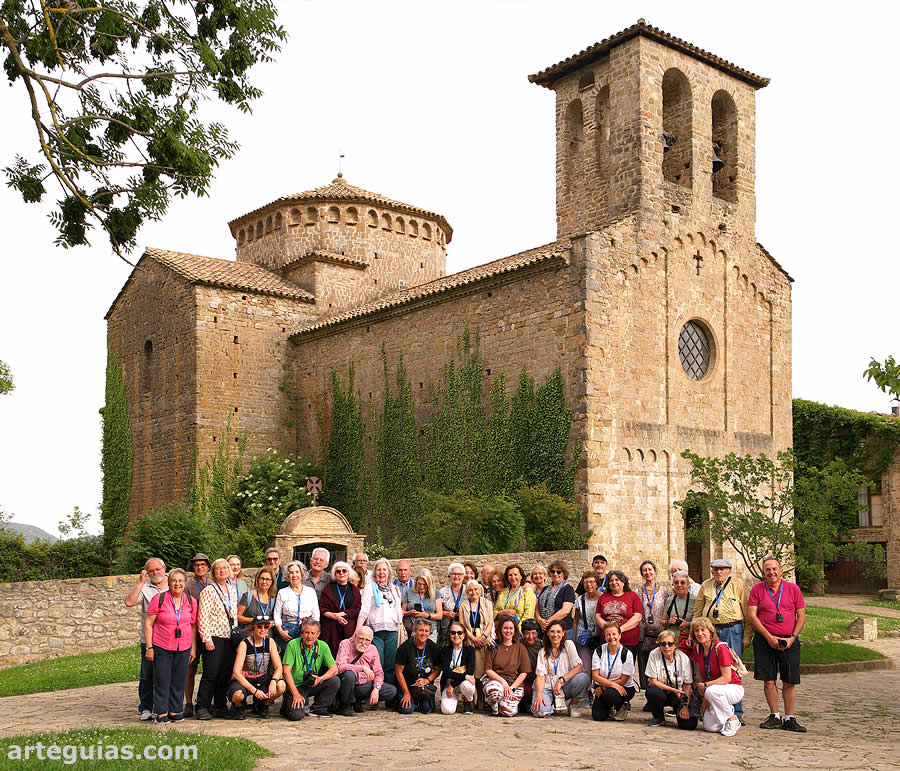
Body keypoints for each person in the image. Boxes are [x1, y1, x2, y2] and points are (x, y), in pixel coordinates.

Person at [747, 556, 807, 733]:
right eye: (767, 570)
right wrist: (768, 636)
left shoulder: (793, 589)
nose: (771, 572)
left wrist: (793, 638)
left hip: (788, 639)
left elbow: (801, 616)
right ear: (763, 572)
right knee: (769, 679)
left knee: (789, 680)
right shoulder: (757, 590)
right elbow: (752, 615)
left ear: (781, 571)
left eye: (774, 569)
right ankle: (774, 715)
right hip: (765, 640)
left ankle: (789, 717)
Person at [692, 559, 750, 723]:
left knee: (732, 669)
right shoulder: (706, 585)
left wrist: (746, 637)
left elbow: (746, 612)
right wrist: (694, 634)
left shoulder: (737, 585)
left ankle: (736, 712)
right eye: (715, 569)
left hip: (732, 629)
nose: (718, 572)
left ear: (729, 571)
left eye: (722, 569)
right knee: (710, 667)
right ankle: (715, 708)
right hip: (711, 629)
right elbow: (698, 611)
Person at [144, 567, 194, 724]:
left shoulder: (191, 601)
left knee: (179, 680)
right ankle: (161, 713)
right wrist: (149, 647)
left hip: (184, 646)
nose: (177, 584)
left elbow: (193, 626)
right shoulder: (159, 599)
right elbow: (148, 624)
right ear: (169, 582)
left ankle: (175, 711)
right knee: (163, 680)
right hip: (162, 646)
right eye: (174, 580)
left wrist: (193, 648)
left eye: (180, 581)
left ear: (185, 583)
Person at [124, 556, 168, 721]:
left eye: (157, 569)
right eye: (151, 571)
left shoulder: (174, 583)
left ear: (164, 569)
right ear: (147, 573)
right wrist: (141, 582)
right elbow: (129, 602)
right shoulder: (145, 586)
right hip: (149, 639)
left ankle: (163, 706)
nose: (155, 573)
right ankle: (146, 707)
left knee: (165, 675)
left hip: (169, 638)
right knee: (147, 675)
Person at [196, 558, 239, 720]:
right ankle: (202, 706)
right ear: (213, 572)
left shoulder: (232, 589)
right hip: (213, 636)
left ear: (229, 571)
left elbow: (233, 613)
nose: (222, 571)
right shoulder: (209, 590)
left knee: (224, 673)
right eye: (218, 569)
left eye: (224, 568)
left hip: (229, 637)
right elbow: (203, 616)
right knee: (211, 673)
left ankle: (220, 705)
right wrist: (206, 639)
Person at [689, 616, 744, 736]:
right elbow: (700, 678)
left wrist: (706, 687)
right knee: (710, 727)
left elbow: (726, 678)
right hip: (713, 690)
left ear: (710, 631)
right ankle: (725, 720)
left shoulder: (720, 647)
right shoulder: (698, 648)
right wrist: (705, 698)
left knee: (711, 691)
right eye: (696, 631)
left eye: (703, 630)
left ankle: (732, 719)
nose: (700, 633)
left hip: (732, 687)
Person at [228, 614, 286, 719]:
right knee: (237, 695)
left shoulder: (270, 642)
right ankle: (238, 706)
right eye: (259, 626)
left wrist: (274, 680)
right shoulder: (244, 644)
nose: (263, 629)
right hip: (246, 679)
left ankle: (262, 704)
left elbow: (279, 667)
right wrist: (254, 690)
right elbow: (236, 672)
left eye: (266, 626)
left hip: (263, 677)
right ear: (253, 627)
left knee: (281, 686)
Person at [357, 558, 404, 687]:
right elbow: (364, 610)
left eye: (384, 569)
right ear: (374, 572)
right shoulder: (369, 588)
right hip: (375, 632)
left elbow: (398, 610)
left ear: (388, 572)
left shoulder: (394, 589)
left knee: (390, 664)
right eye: (379, 570)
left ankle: (388, 693)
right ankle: (375, 692)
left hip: (391, 632)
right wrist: (358, 629)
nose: (381, 572)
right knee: (377, 664)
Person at [281, 619, 339, 720]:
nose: (309, 636)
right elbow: (286, 672)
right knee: (296, 716)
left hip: (312, 683)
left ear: (318, 634)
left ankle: (318, 708)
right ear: (302, 634)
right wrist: (296, 694)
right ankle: (286, 705)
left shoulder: (323, 646)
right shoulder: (293, 644)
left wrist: (321, 678)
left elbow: (334, 669)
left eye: (313, 633)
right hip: (296, 686)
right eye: (307, 632)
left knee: (334, 681)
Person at [531, 620, 589, 718]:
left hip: (564, 686)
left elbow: (578, 667)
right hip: (547, 687)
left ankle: (573, 705)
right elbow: (540, 676)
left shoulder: (568, 645)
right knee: (540, 712)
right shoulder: (542, 652)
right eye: (552, 631)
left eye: (558, 631)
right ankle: (552, 705)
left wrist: (561, 680)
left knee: (583, 678)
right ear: (548, 633)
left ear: (563, 633)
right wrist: (539, 694)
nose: (555, 634)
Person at [335, 626, 398, 715]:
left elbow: (379, 673)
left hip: (363, 685)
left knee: (391, 690)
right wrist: (362, 668)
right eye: (361, 638)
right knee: (349, 675)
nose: (363, 642)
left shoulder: (373, 649)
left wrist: (376, 689)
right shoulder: (345, 644)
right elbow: (340, 667)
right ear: (355, 636)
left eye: (367, 640)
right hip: (347, 683)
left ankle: (358, 700)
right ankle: (346, 705)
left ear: (371, 641)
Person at [644, 629, 696, 729]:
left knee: (689, 725)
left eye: (670, 644)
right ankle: (658, 717)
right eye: (663, 644)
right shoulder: (654, 654)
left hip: (679, 694)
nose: (666, 647)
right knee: (652, 692)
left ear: (675, 645)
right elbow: (652, 681)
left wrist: (685, 705)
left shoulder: (683, 658)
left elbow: (687, 684)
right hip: (662, 692)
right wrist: (674, 690)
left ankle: (678, 710)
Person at [482, 617, 531, 716]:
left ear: (515, 630)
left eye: (511, 628)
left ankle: (504, 704)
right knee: (494, 691)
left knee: (508, 712)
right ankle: (495, 705)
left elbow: (523, 673)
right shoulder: (493, 646)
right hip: (496, 681)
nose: (508, 631)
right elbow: (488, 670)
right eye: (505, 628)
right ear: (500, 629)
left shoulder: (520, 648)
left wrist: (512, 688)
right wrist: (503, 682)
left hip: (514, 684)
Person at [590, 621, 636, 721]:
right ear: (605, 637)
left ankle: (622, 706)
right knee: (598, 716)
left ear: (620, 635)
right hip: (603, 686)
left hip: (622, 688)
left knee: (610, 694)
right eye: (608, 635)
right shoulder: (599, 651)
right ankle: (609, 708)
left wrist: (603, 687)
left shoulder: (627, 654)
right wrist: (605, 687)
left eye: (614, 634)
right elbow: (595, 676)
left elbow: (624, 679)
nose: (611, 637)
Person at [183, 552, 210, 717]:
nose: (199, 567)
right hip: (192, 630)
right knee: (190, 667)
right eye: (196, 565)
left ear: (208, 567)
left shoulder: (213, 583)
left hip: (209, 632)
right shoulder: (188, 586)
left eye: (202, 565)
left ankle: (206, 701)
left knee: (210, 669)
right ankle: (188, 703)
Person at [395, 618, 441, 714]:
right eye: (420, 630)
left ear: (430, 633)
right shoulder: (405, 647)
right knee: (407, 710)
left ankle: (418, 701)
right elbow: (398, 672)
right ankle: (400, 698)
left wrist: (427, 680)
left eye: (426, 631)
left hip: (424, 686)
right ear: (415, 631)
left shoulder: (434, 647)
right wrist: (406, 693)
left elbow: (437, 669)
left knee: (427, 710)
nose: (423, 633)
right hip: (407, 684)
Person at [273, 561, 320, 655]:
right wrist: (280, 631)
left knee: (304, 656)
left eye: (297, 572)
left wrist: (313, 630)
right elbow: (277, 614)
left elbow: (316, 613)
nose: (294, 575)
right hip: (287, 630)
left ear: (302, 574)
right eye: (291, 572)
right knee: (286, 656)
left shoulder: (310, 591)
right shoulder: (282, 592)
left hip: (306, 629)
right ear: (287, 575)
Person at [597, 570, 643, 664]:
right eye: (611, 580)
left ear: (623, 582)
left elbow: (637, 617)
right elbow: (598, 615)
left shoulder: (632, 596)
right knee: (608, 669)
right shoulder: (603, 597)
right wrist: (609, 630)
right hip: (608, 642)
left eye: (617, 580)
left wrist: (619, 630)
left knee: (626, 671)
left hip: (628, 642)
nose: (614, 582)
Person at [637, 560, 669, 689]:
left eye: (650, 570)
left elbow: (667, 609)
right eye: (645, 570)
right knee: (645, 664)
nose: (648, 572)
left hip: (660, 632)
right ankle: (647, 690)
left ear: (655, 572)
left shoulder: (664, 591)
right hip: (644, 633)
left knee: (659, 664)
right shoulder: (638, 591)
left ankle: (657, 691)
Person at [458, 579, 494, 691]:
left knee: (482, 668)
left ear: (480, 590)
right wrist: (474, 639)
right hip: (469, 638)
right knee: (470, 667)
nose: (473, 592)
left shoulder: (487, 603)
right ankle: (469, 697)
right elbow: (462, 625)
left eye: (476, 589)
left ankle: (481, 697)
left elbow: (490, 622)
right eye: (470, 590)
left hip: (483, 637)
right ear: (467, 592)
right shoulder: (463, 605)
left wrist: (483, 637)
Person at [319, 561, 362, 655]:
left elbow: (357, 608)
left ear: (348, 573)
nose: (341, 573)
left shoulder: (354, 590)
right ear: (335, 574)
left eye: (344, 571)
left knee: (347, 655)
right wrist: (334, 616)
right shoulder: (328, 588)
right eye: (338, 571)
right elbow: (322, 608)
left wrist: (343, 614)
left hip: (348, 629)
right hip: (331, 629)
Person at [439, 621, 477, 714]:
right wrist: (464, 677)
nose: (456, 635)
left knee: (468, 685)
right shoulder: (444, 650)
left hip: (462, 683)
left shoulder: (470, 650)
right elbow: (447, 672)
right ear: (449, 634)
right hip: (448, 682)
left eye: (459, 632)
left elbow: (470, 671)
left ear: (464, 635)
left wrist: (454, 684)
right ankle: (453, 699)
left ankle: (468, 700)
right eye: (453, 632)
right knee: (447, 710)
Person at [536, 560, 576, 640]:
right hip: (545, 630)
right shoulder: (545, 589)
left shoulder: (568, 589)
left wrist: (548, 623)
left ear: (564, 573)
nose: (555, 574)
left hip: (562, 631)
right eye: (553, 571)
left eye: (558, 572)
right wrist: (539, 620)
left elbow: (565, 610)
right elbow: (537, 607)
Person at [573, 569, 602, 675]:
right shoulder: (580, 600)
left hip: (600, 637)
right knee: (585, 666)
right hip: (584, 638)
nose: (589, 585)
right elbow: (575, 620)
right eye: (586, 582)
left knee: (599, 667)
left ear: (596, 583)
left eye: (591, 582)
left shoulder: (603, 598)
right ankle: (587, 690)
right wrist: (575, 639)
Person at [493, 563, 535, 635]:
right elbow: (495, 611)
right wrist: (502, 613)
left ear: (521, 576)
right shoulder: (503, 592)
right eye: (510, 575)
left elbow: (528, 614)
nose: (513, 577)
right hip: (502, 632)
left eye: (515, 574)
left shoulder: (527, 591)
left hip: (519, 632)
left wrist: (516, 631)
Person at [402, 568, 442, 641]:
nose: (422, 587)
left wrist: (427, 615)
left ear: (429, 584)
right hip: (414, 630)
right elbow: (402, 612)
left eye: (425, 585)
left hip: (431, 631)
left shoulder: (436, 593)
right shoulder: (409, 592)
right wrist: (409, 613)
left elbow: (440, 615)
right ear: (416, 582)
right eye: (419, 584)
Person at [664, 570, 696, 650]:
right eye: (676, 582)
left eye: (682, 583)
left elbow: (701, 622)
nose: (679, 585)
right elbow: (663, 620)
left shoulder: (695, 600)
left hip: (688, 641)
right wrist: (668, 622)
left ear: (688, 584)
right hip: (671, 642)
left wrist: (688, 624)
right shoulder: (669, 600)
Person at [438, 562, 467, 646]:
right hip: (447, 630)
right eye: (454, 574)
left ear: (463, 576)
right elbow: (436, 610)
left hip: (463, 630)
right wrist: (445, 613)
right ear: (449, 575)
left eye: (459, 574)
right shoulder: (443, 592)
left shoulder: (468, 590)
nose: (456, 577)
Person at [519, 618, 543, 709]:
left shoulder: (541, 645)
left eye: (533, 633)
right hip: (522, 678)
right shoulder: (518, 644)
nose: (530, 637)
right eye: (527, 633)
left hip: (537, 678)